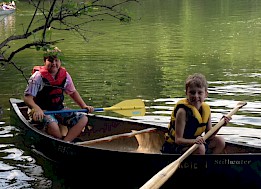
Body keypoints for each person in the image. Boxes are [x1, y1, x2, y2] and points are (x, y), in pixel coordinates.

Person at [24, 47, 94, 142]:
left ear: (60, 62)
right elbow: (27, 98)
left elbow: (72, 92)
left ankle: (66, 142)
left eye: (56, 60)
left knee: (83, 119)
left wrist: (84, 106)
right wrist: (36, 109)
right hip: (40, 111)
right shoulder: (37, 77)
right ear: (45, 61)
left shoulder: (65, 76)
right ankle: (59, 140)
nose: (54, 63)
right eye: (50, 60)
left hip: (58, 109)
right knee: (54, 127)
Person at [161, 73, 231, 154]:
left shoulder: (206, 109)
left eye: (200, 93)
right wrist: (194, 141)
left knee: (220, 141)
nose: (196, 96)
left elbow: (209, 136)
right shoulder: (182, 112)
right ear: (186, 93)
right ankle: (201, 165)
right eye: (192, 92)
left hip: (195, 143)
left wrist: (221, 124)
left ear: (206, 94)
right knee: (200, 148)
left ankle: (209, 164)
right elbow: (178, 140)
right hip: (176, 147)